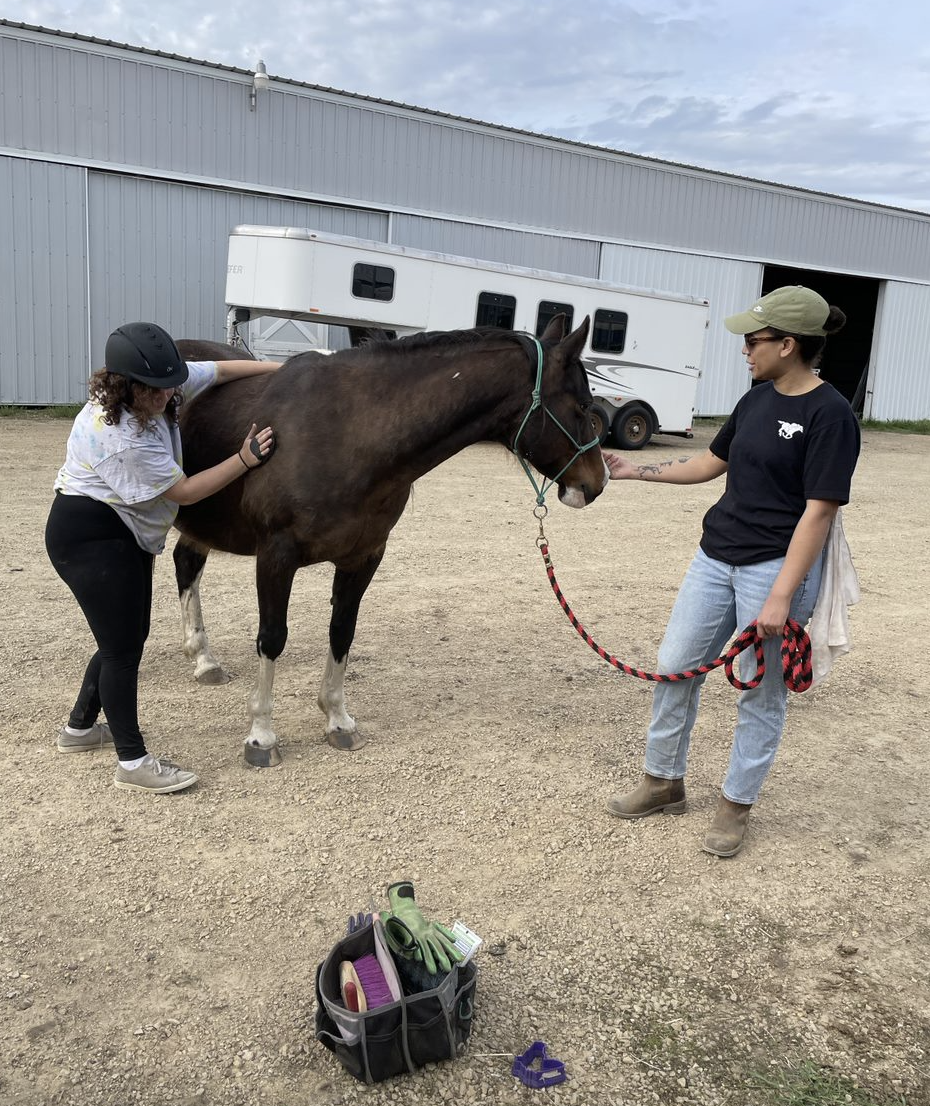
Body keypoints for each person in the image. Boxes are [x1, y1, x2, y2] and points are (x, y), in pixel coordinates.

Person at [604, 286, 860, 857]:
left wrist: (780, 596)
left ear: (788, 345)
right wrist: (632, 472)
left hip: (773, 569)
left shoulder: (830, 416)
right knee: (676, 666)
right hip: (714, 557)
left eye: (754, 340)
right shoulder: (754, 401)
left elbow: (819, 512)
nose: (745, 349)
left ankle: (734, 806)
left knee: (761, 694)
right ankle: (663, 780)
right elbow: (708, 463)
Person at [45, 322, 284, 794]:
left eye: (170, 384)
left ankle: (79, 729)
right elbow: (186, 492)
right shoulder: (121, 435)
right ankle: (132, 763)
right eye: (152, 390)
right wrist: (244, 459)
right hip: (91, 534)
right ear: (123, 385)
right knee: (122, 649)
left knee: (127, 633)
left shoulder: (162, 384)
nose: (166, 396)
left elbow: (216, 371)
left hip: (122, 531)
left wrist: (285, 372)